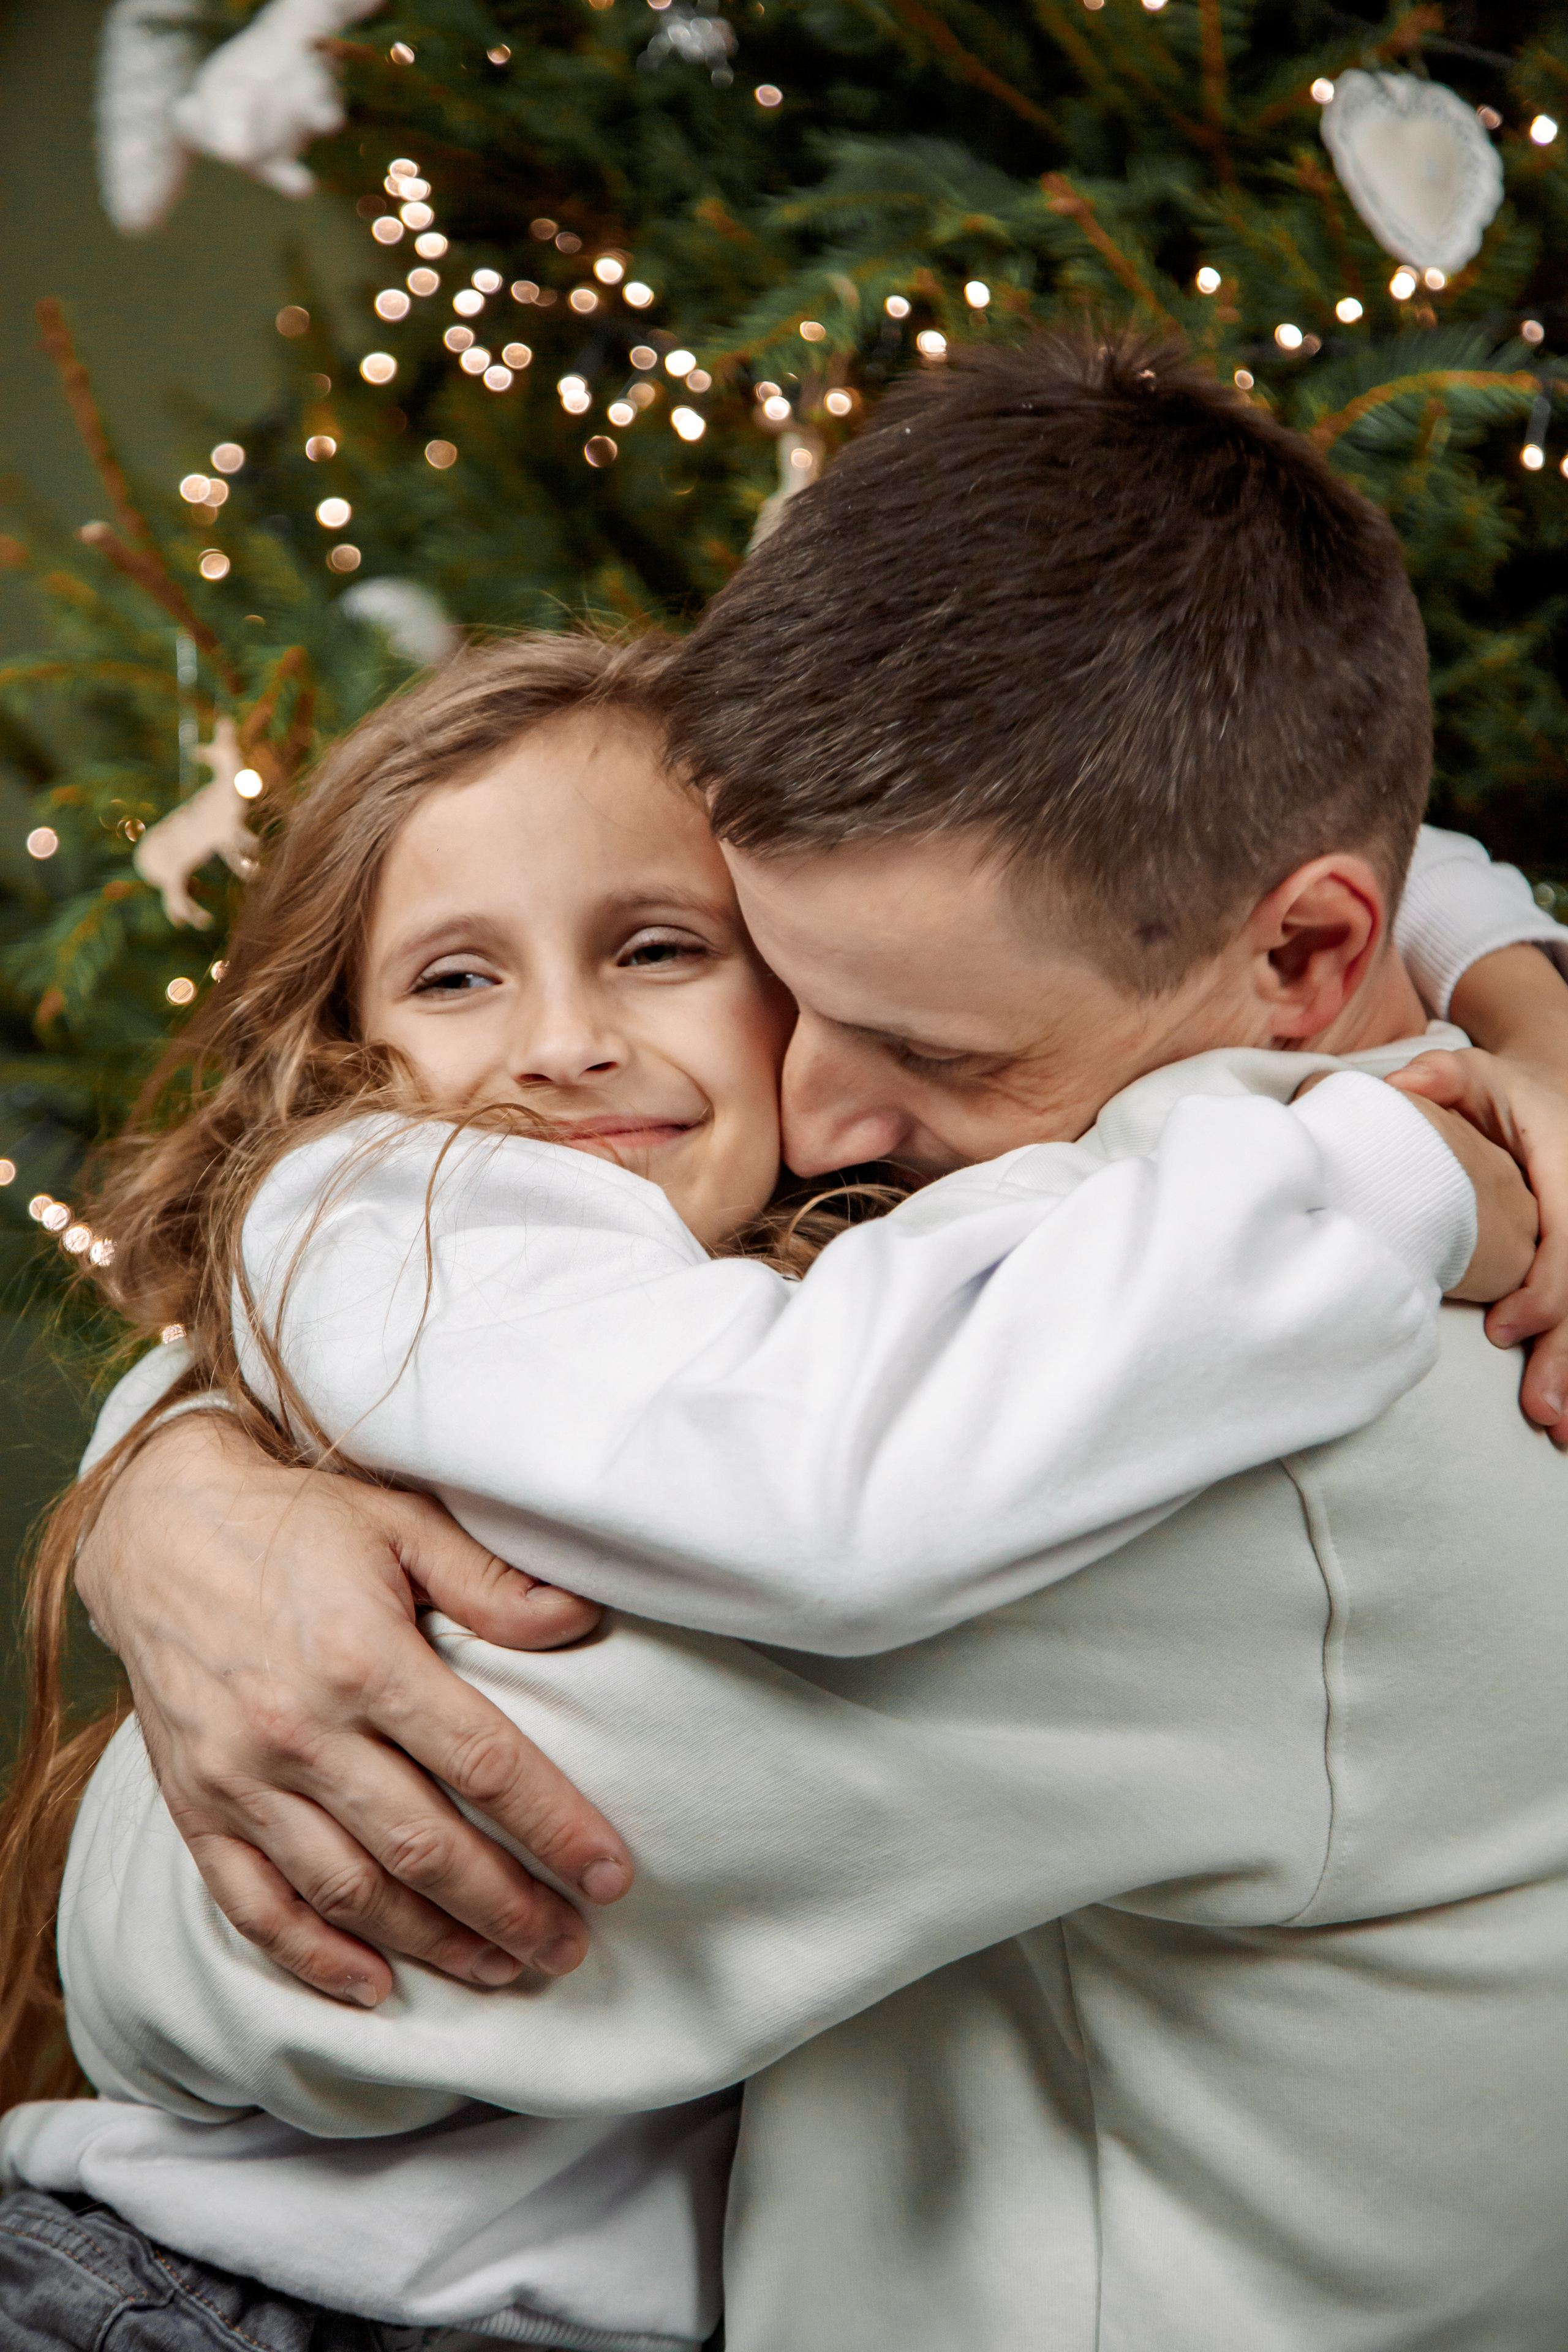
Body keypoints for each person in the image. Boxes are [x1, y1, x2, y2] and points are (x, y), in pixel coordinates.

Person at [10, 334, 1568, 2350]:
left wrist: (211, 1596)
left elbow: (206, 1963)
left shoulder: (1234, 1373)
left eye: (927, 1043)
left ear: (1304, 958)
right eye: (782, 976)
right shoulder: (1187, 1136)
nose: (820, 1108)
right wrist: (182, 1467)